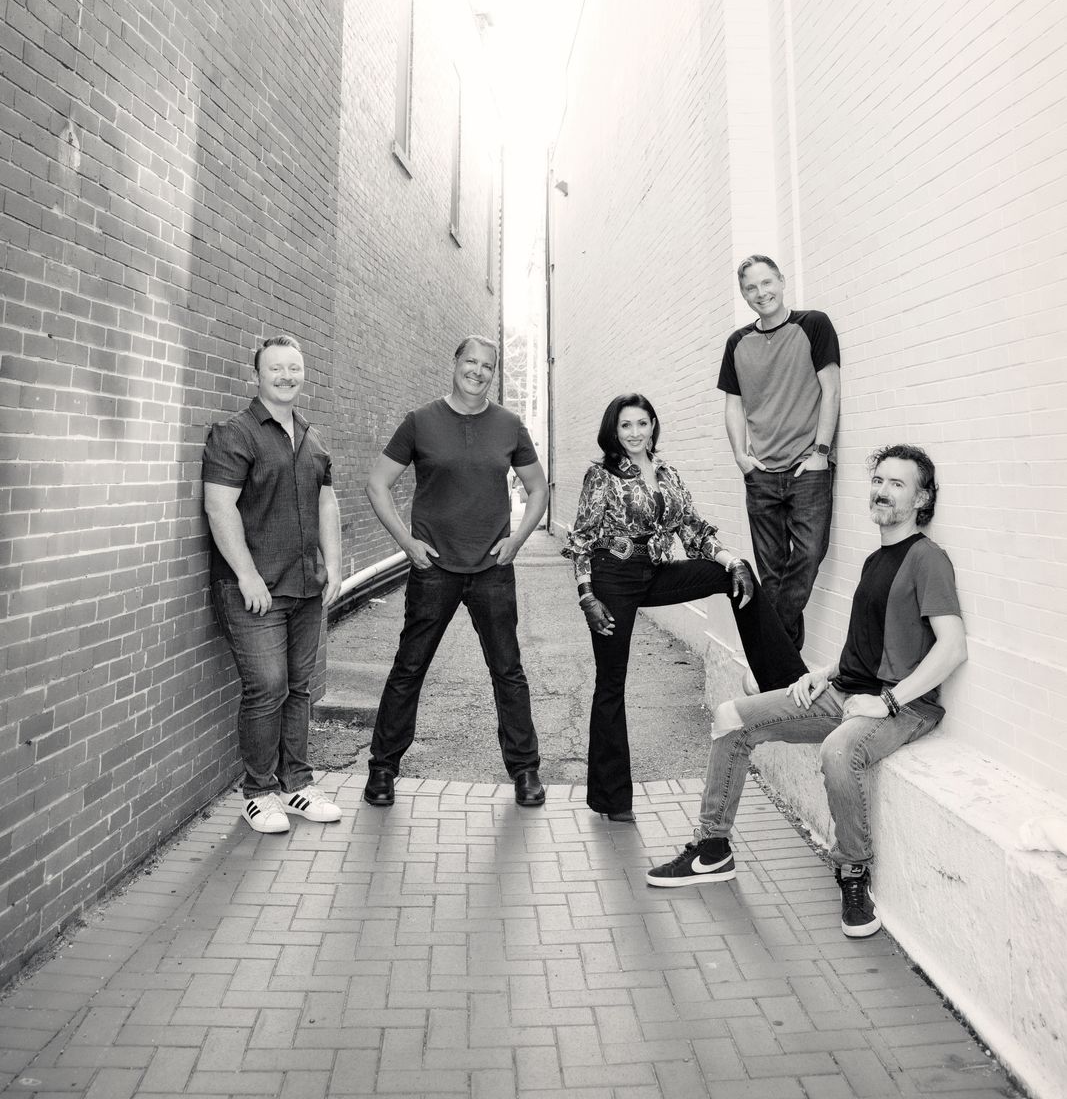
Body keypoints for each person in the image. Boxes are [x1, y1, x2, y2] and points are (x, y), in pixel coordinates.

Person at [647, 445, 967, 940]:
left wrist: (887, 701)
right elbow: (868, 642)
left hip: (902, 706)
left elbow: (952, 647)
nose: (882, 491)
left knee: (839, 751)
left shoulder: (928, 559)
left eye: (896, 484)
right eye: (878, 480)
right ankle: (712, 848)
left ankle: (853, 873)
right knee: (731, 718)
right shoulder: (876, 560)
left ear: (922, 499)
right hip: (848, 693)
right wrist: (824, 672)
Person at [564, 394, 807, 823]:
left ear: (653, 426)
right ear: (614, 431)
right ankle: (611, 799)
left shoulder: (668, 473)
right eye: (626, 425)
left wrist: (730, 561)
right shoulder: (601, 475)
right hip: (613, 578)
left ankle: (785, 682)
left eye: (642, 423)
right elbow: (582, 540)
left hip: (656, 572)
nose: (635, 432)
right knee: (611, 683)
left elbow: (693, 530)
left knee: (738, 574)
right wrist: (588, 597)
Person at [362, 335, 549, 809]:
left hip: (492, 569)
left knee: (508, 670)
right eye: (471, 362)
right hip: (434, 569)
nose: (478, 372)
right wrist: (407, 543)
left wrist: (517, 539)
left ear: (494, 374)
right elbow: (377, 484)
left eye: (488, 366)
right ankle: (382, 769)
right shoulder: (420, 422)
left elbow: (538, 489)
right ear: (455, 363)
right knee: (409, 667)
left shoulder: (509, 425)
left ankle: (525, 771)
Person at [203, 335, 343, 834]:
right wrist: (246, 575)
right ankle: (259, 793)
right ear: (257, 375)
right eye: (276, 368)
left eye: (294, 368)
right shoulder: (235, 434)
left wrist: (335, 566)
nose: (286, 376)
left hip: (304, 586)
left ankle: (296, 784)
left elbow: (326, 502)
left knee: (298, 689)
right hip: (254, 590)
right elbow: (219, 506)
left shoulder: (311, 437)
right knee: (267, 689)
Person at [719, 254, 841, 650]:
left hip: (808, 467)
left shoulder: (813, 324)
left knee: (809, 555)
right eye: (751, 288)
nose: (761, 293)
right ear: (744, 294)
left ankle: (770, 651)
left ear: (782, 281)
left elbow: (831, 390)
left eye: (767, 282)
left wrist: (821, 451)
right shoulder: (737, 342)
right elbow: (733, 404)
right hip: (761, 473)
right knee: (770, 575)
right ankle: (785, 667)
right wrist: (741, 457)